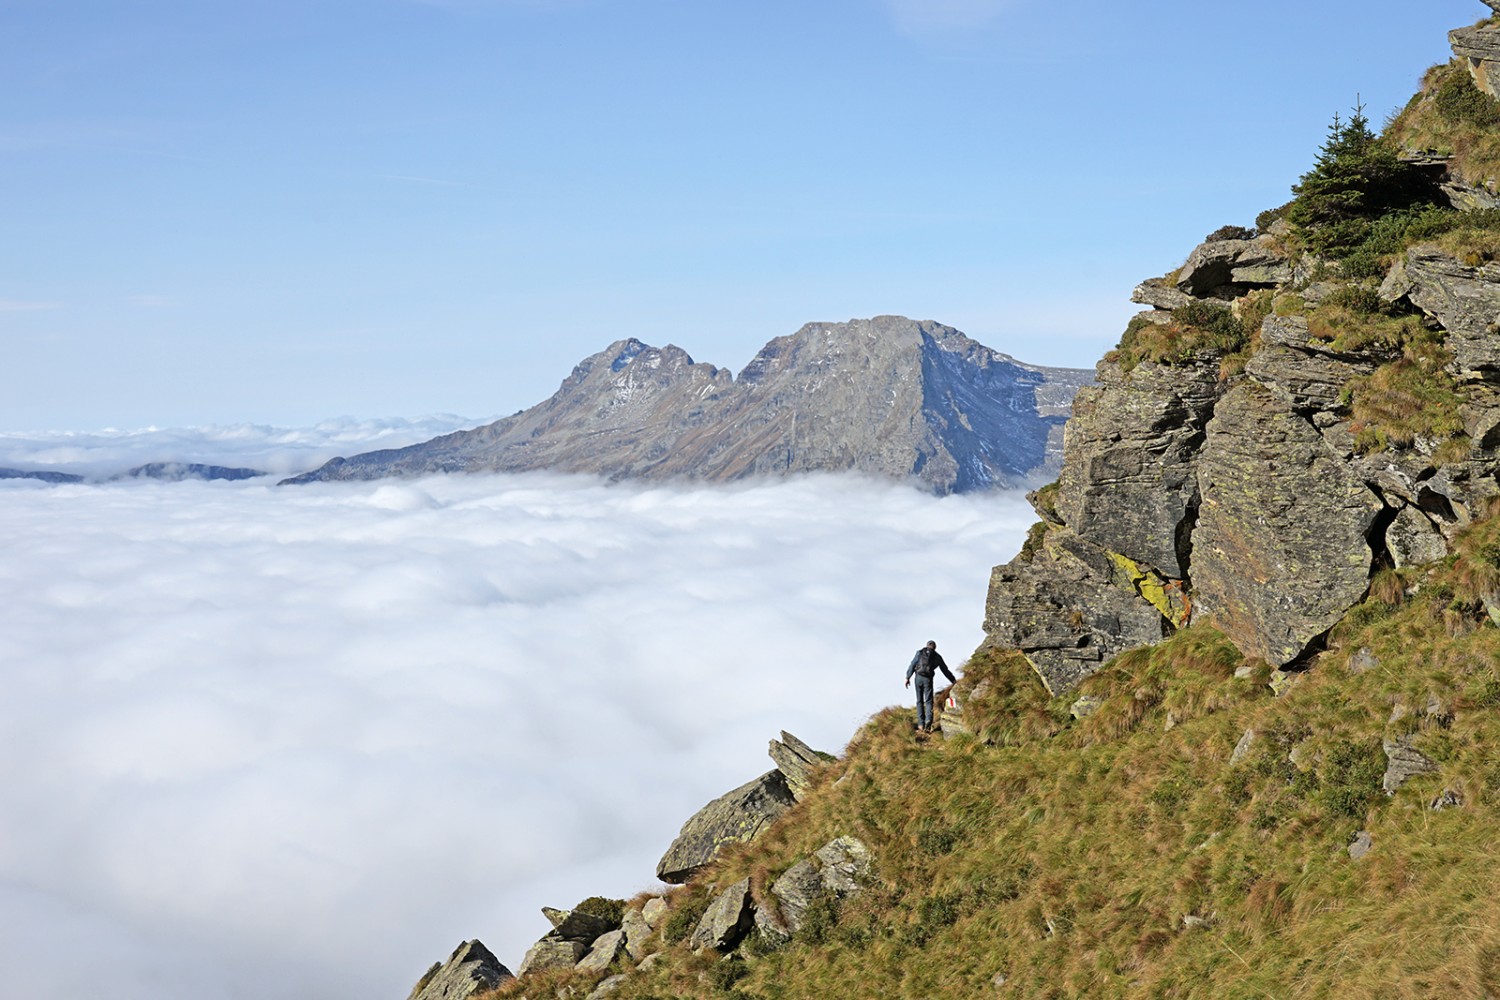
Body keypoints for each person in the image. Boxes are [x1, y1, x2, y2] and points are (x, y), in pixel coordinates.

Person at [904, 640, 956, 734]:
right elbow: (945, 670)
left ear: (927, 645)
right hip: (928, 679)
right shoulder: (937, 656)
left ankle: (920, 724)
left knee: (919, 701)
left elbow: (912, 665)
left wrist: (907, 677)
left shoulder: (919, 653)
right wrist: (953, 681)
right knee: (928, 701)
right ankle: (928, 722)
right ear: (935, 647)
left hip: (918, 678)